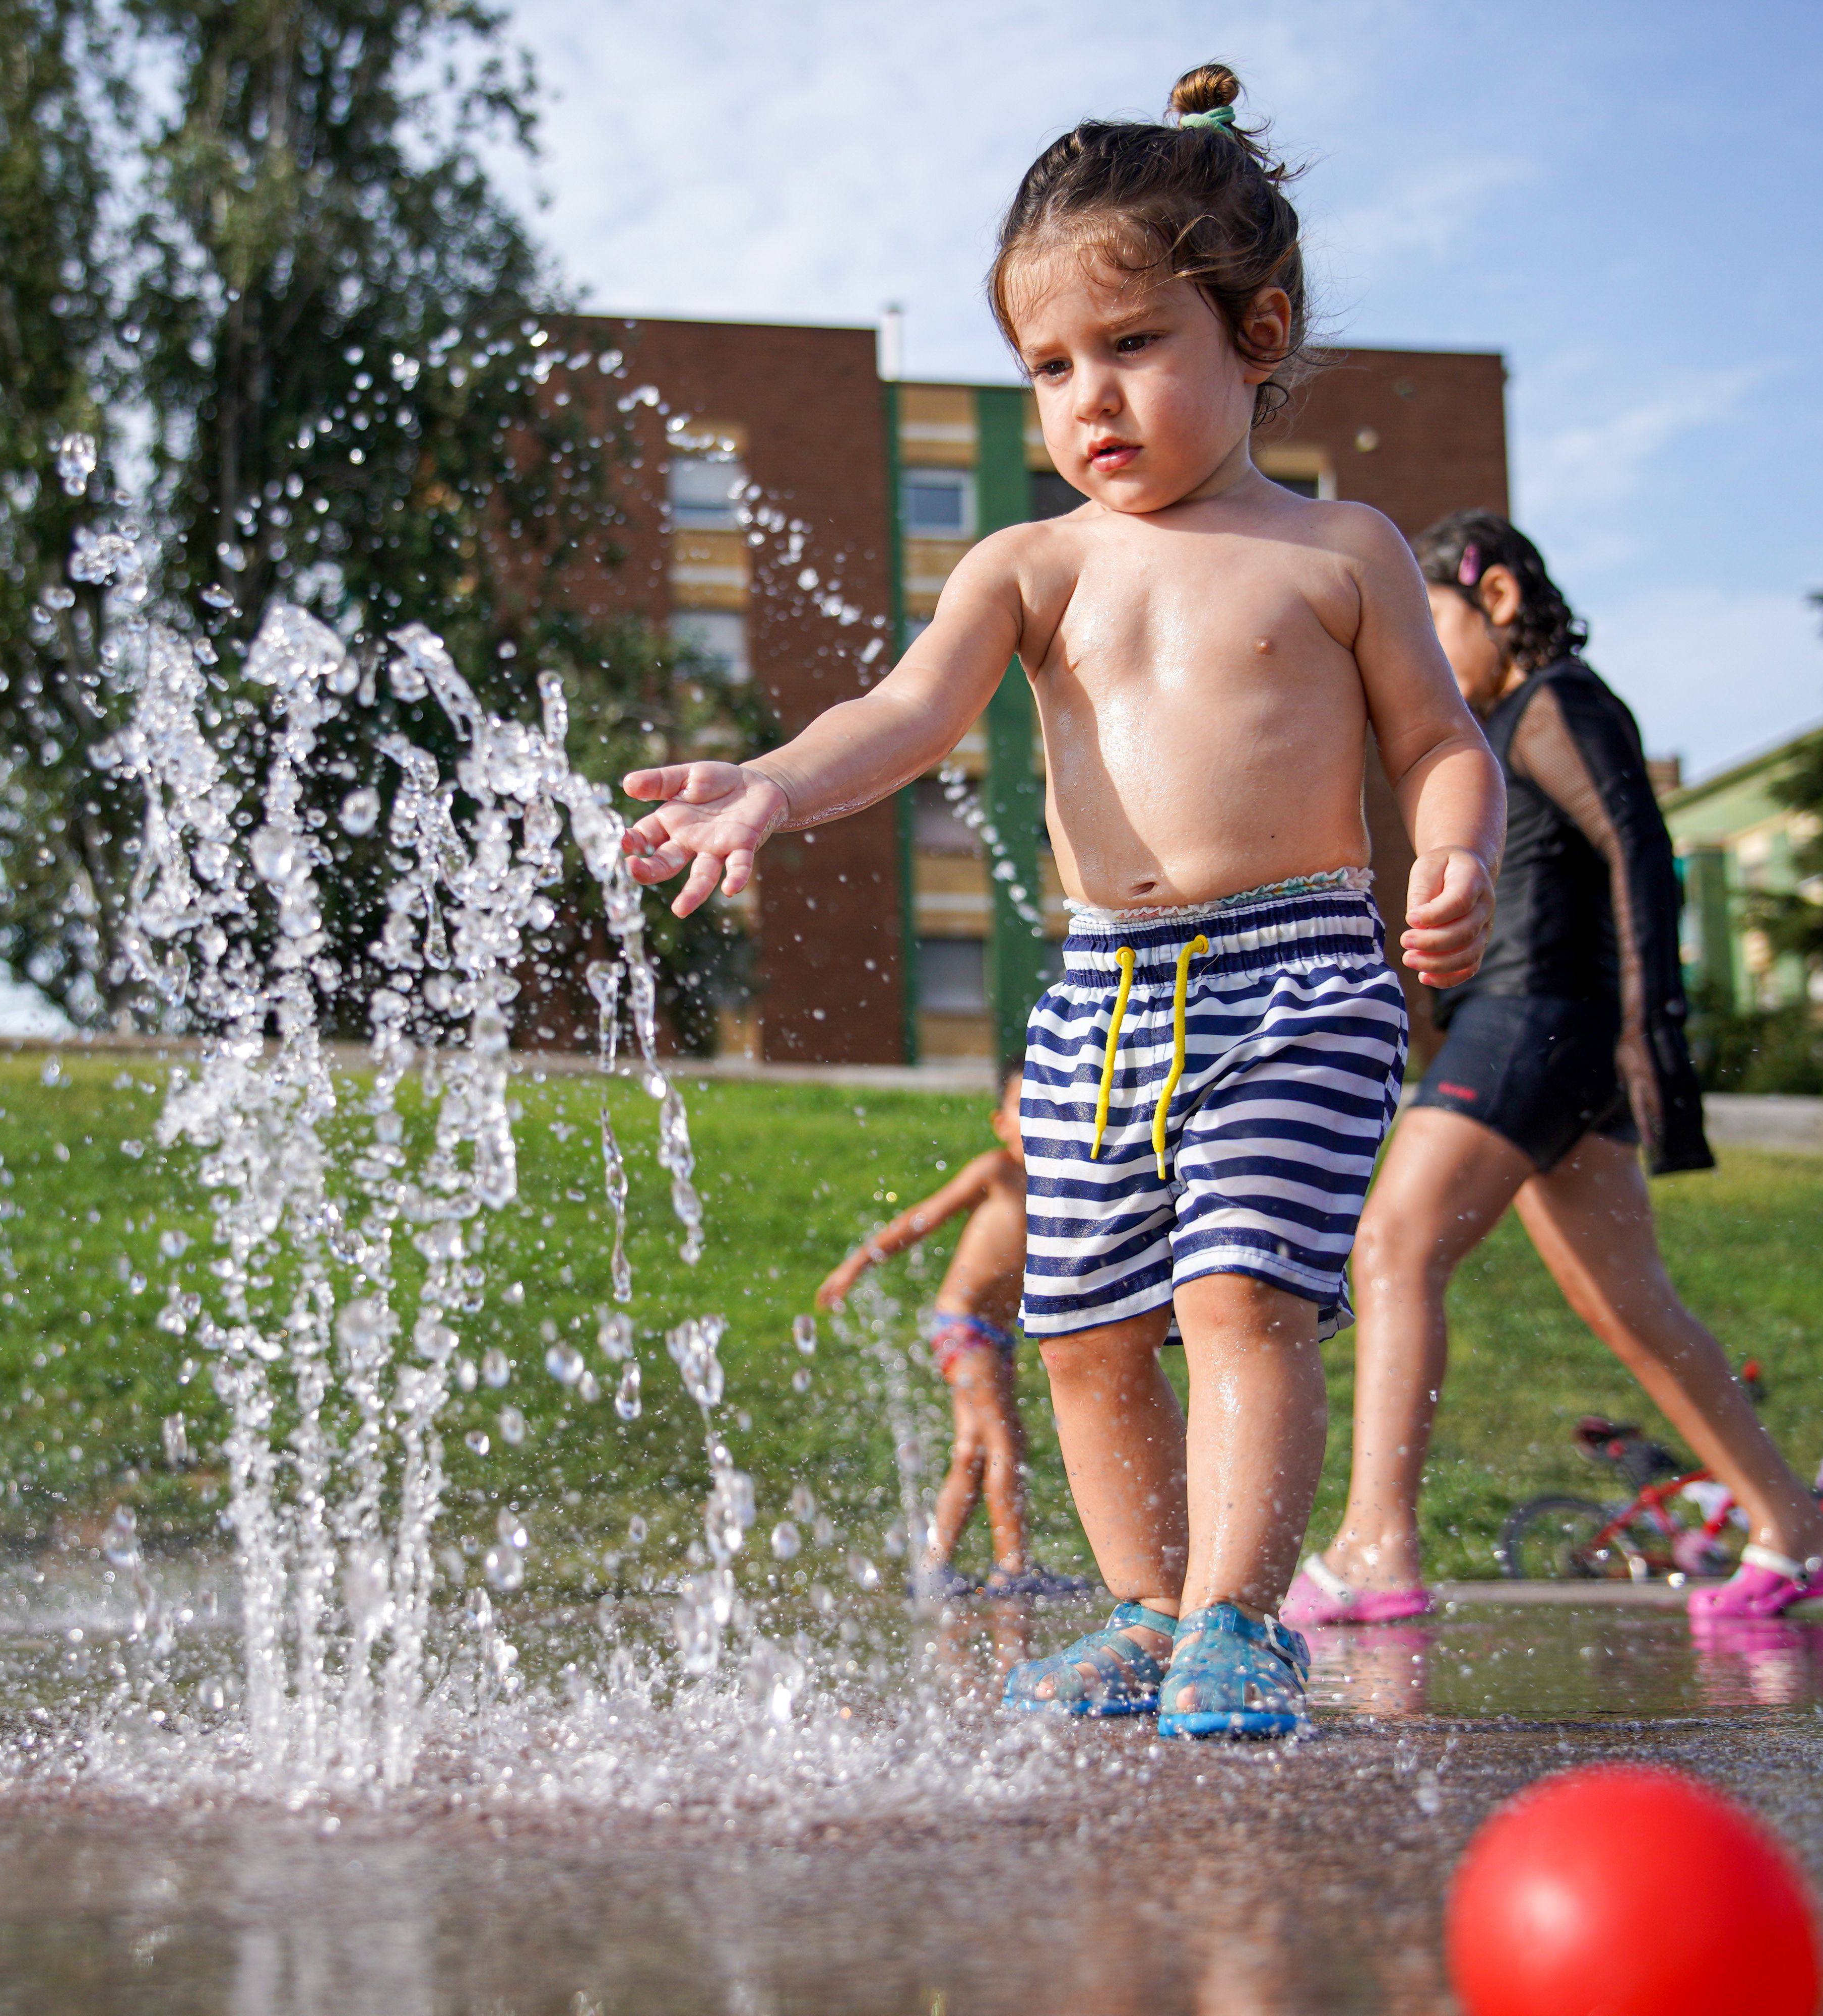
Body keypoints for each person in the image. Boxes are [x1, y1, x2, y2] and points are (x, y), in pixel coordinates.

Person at [621, 64, 1506, 1739]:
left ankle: (1239, 1620)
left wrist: (1457, 849)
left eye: (1130, 346)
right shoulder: (1029, 567)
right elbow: (902, 714)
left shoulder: (1339, 552)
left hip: (1299, 972)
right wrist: (775, 784)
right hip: (1100, 990)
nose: (1086, 399)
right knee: (1084, 1325)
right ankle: (1142, 1607)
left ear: (1253, 335)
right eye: (1047, 367)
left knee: (1240, 1291)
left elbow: (1438, 743)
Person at [1284, 511, 1823, 1631]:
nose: (1411, 647)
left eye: (1431, 618)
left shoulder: (1556, 701)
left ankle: (1374, 1542)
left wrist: (1653, 1031)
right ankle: (1795, 1529)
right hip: (1553, 1036)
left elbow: (1638, 848)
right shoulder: (1499, 725)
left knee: (1394, 1242)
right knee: (1629, 1302)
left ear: (1497, 598)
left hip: (1535, 1021)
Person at [816, 1061, 1080, 1599]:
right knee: (1008, 1441)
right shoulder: (997, 1171)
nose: (1036, 1119)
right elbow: (925, 1216)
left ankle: (934, 1568)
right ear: (1000, 1122)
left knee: (973, 1451)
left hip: (996, 1336)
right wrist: (857, 1264)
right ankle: (1013, 1566)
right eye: (1022, 1107)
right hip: (966, 1327)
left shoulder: (1062, 1185)